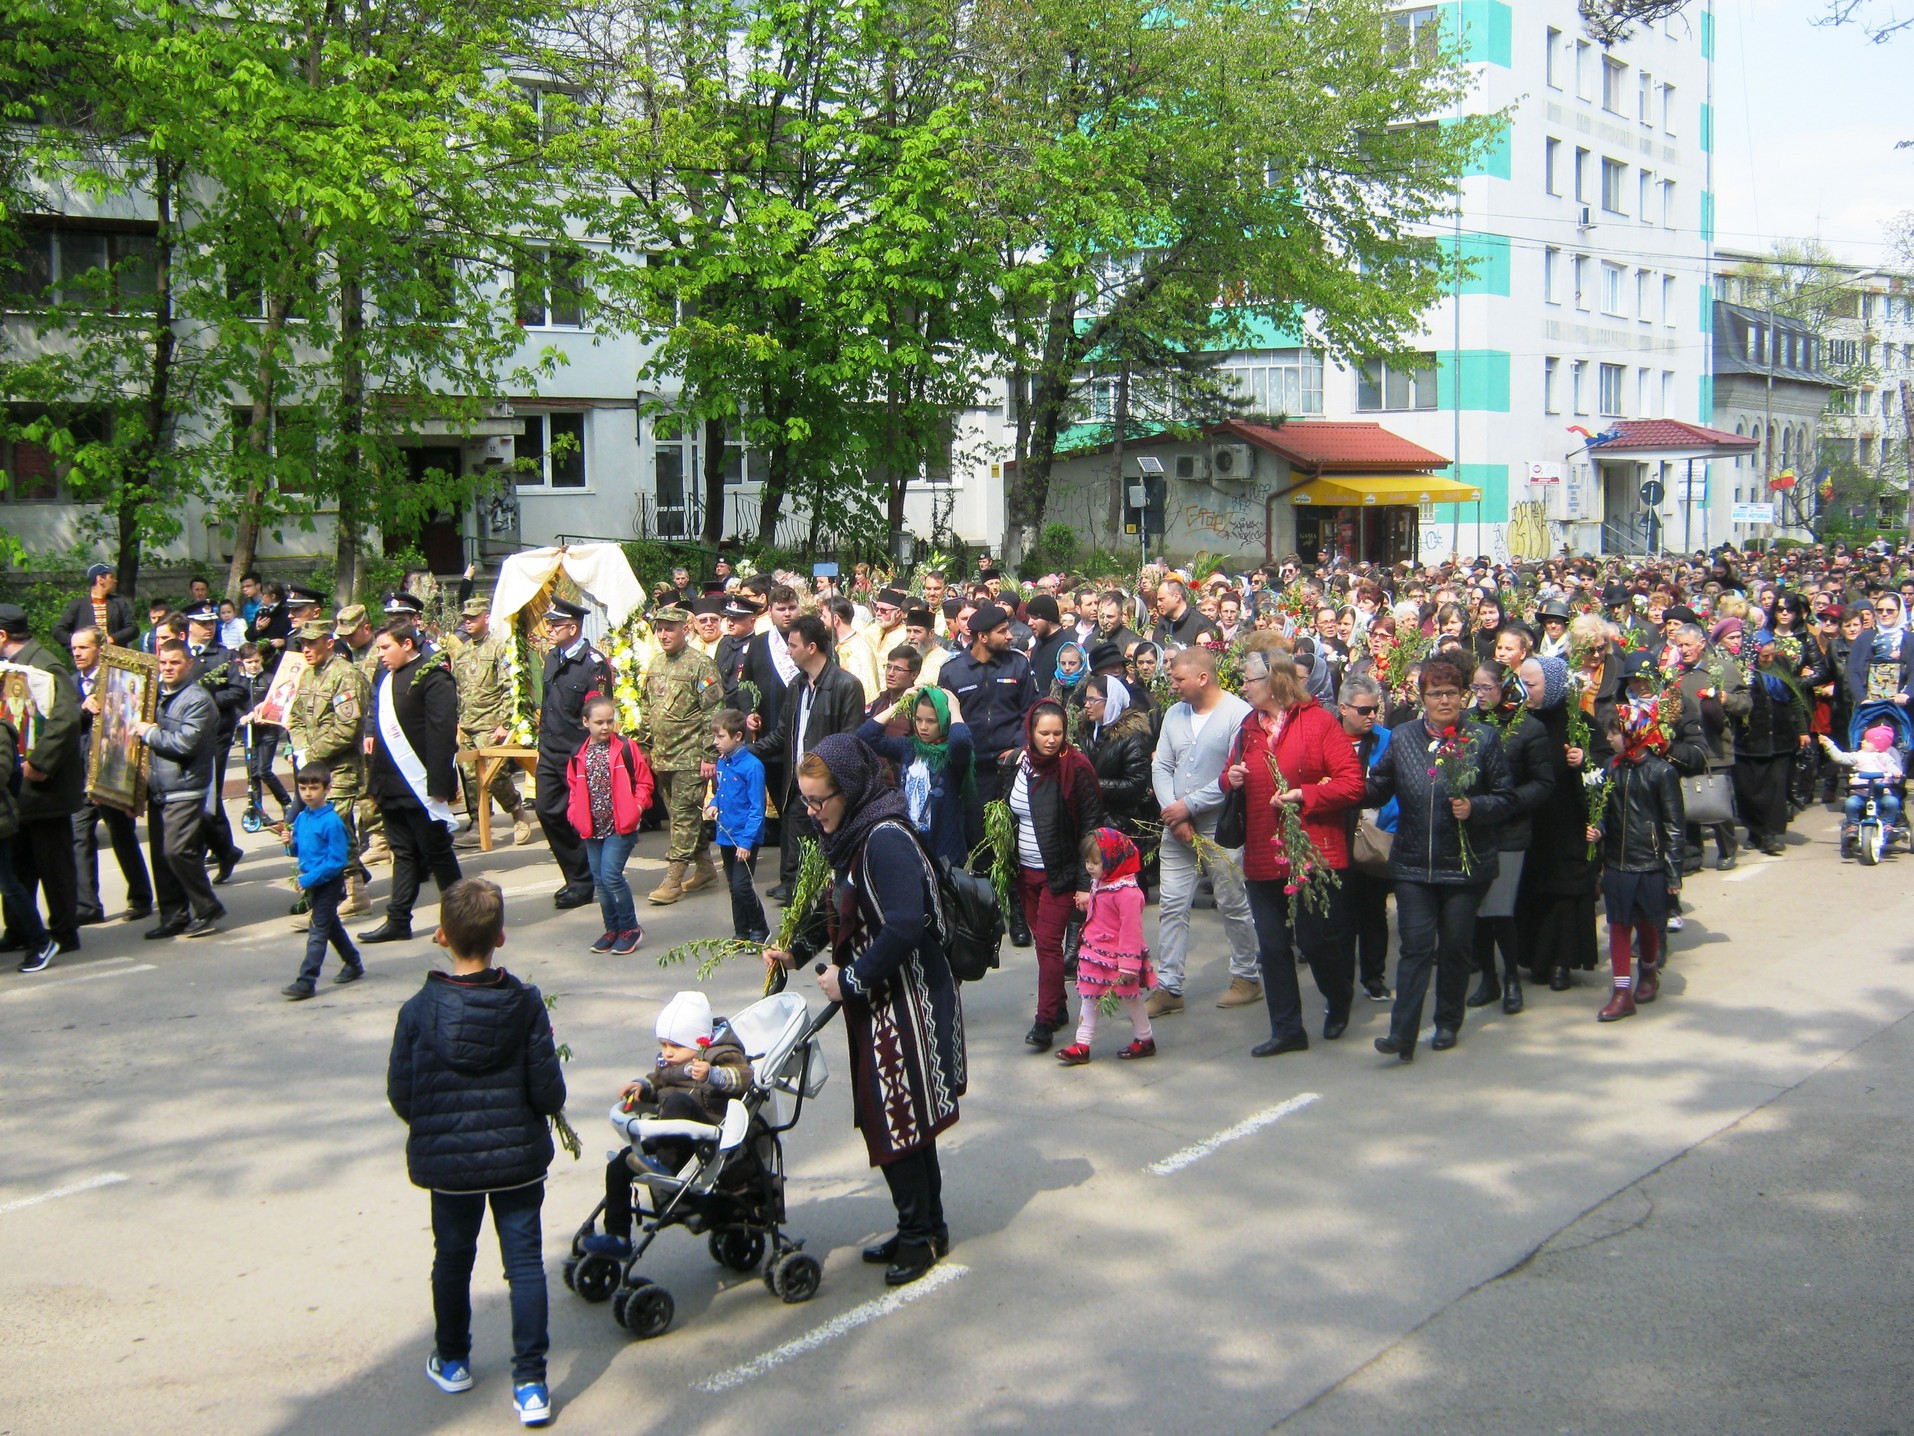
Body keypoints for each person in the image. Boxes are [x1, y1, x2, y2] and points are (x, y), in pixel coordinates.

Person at [763, 735, 964, 1287]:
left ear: (848, 790)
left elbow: (904, 922)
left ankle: (920, 1235)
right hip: (882, 999)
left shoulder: (884, 839)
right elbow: (843, 909)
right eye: (803, 802)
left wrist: (849, 978)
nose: (811, 812)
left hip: (907, 999)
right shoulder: (853, 834)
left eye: (818, 801)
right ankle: (925, 1226)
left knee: (898, 1118)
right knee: (902, 1121)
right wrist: (798, 950)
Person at [386, 877, 563, 1427]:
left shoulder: (418, 1010)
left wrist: (438, 1124)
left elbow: (402, 1092)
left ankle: (454, 1357)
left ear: (441, 935)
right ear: (501, 938)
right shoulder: (526, 1004)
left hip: (449, 1166)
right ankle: (531, 1382)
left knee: (453, 1258)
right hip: (516, 1158)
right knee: (525, 1264)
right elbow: (548, 1091)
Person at [1363, 656, 1515, 1061]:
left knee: (1453, 947)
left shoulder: (1482, 739)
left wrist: (1476, 807)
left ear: (1463, 696)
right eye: (1435, 694)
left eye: (1451, 693)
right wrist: (1342, 784)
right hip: (1413, 861)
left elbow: (1506, 797)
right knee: (1414, 947)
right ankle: (1402, 1034)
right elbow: (1378, 786)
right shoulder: (1403, 737)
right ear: (1422, 698)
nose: (1444, 701)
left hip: (1464, 866)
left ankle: (1448, 1020)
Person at [1224, 635, 1365, 1054]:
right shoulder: (1248, 728)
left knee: (1317, 939)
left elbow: (1352, 783)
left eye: (1249, 681)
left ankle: (1338, 998)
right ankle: (1287, 1029)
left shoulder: (1318, 721)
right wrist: (1228, 778)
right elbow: (1229, 775)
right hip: (1264, 851)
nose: (1244, 688)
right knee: (1271, 946)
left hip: (1314, 849)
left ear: (1274, 681)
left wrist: (1306, 794)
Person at [582, 991, 753, 1260]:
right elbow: (657, 1080)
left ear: (698, 1043)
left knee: (676, 1101)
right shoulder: (669, 1062)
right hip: (668, 1136)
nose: (667, 1052)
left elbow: (743, 1078)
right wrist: (642, 1086)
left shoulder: (721, 1055)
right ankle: (617, 1235)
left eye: (674, 1045)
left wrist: (713, 1074)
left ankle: (660, 1160)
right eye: (663, 1045)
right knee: (618, 1166)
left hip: (702, 1138)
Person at [1148, 645, 1261, 1015]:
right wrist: (1174, 813)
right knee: (1172, 905)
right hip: (1176, 827)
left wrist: (1189, 807)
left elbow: (1233, 775)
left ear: (1202, 677)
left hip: (1219, 826)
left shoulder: (1238, 716)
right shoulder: (1173, 715)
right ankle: (1169, 986)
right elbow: (1161, 766)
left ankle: (1246, 975)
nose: (1174, 685)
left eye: (1178, 679)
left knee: (1232, 901)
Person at [748, 612, 866, 901]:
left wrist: (832, 788)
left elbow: (849, 743)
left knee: (826, 862)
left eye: (793, 645)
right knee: (797, 858)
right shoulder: (797, 686)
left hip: (827, 792)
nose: (788, 651)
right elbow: (782, 735)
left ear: (812, 648)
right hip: (797, 786)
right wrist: (745, 751)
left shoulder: (846, 686)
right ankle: (797, 900)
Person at [1007, 699, 1104, 1049]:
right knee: (1041, 942)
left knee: (1049, 945)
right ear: (1030, 733)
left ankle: (1045, 1020)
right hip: (1026, 872)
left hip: (1059, 873)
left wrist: (1084, 883)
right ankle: (1059, 1007)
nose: (1051, 740)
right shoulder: (1021, 764)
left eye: (1057, 733)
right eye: (1043, 733)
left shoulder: (1076, 768)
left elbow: (1091, 828)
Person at [359, 621, 462, 944]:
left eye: (385, 647)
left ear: (406, 644)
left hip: (421, 784)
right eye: (377, 649)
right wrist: (375, 784)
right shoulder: (387, 677)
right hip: (391, 784)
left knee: (438, 854)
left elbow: (441, 733)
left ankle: (462, 920)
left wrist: (440, 784)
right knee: (402, 854)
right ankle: (398, 919)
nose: (380, 655)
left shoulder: (433, 676)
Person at [1465, 659, 1556, 1016]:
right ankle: (1487, 978)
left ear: (1504, 687)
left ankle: (1511, 978)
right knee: (1478, 909)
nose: (1480, 695)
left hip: (1509, 829)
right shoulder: (1469, 723)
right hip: (1474, 827)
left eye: (1486, 688)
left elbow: (1543, 782)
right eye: (1475, 688)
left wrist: (1508, 803)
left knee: (1500, 908)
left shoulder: (1528, 729)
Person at [0, 603, 86, 964]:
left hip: (45, 788)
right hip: (18, 791)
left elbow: (66, 720)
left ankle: (64, 931)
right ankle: (20, 930)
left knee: (54, 864)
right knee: (19, 864)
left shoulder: (45, 665)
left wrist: (39, 763)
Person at [1586, 709, 1685, 1023]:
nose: (1610, 738)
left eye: (1616, 733)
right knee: (1618, 924)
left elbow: (1673, 825)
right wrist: (1598, 829)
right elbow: (1604, 809)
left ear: (1634, 735)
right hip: (1617, 862)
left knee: (1647, 924)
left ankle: (1649, 972)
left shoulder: (1661, 772)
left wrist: (1672, 873)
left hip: (1649, 863)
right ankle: (1621, 992)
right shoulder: (1611, 767)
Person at [130, 639, 225, 941]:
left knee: (177, 850)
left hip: (185, 786)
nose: (168, 668)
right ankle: (174, 916)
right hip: (159, 787)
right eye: (163, 662)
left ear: (188, 664)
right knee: (162, 855)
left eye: (175, 662)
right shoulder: (157, 695)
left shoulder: (197, 699)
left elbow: (185, 743)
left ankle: (207, 906)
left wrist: (150, 733)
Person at [283, 619, 373, 921]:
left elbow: (349, 728)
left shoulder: (346, 675)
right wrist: (299, 749)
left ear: (330, 643)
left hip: (341, 771)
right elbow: (295, 717)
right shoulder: (308, 675)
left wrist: (312, 752)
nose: (306, 649)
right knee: (332, 831)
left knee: (334, 829)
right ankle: (341, 893)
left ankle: (349, 895)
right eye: (302, 644)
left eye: (312, 643)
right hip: (314, 771)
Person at [68, 627, 155, 927]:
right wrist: (81, 708)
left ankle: (141, 898)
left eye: (83, 647)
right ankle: (87, 905)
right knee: (79, 837)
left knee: (121, 835)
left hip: (112, 773)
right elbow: (63, 724)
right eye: (74, 648)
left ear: (100, 648)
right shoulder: (69, 684)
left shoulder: (119, 678)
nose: (77, 653)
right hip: (81, 776)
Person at [535, 598, 616, 910]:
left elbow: (601, 715)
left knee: (584, 818)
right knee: (547, 811)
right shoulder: (553, 656)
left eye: (555, 624)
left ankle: (585, 881)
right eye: (550, 623)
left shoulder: (593, 664)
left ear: (572, 627)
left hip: (579, 755)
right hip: (551, 750)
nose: (549, 629)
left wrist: (596, 756)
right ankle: (577, 876)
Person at [1054, 828, 1156, 1065]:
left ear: (1113, 860)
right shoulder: (1102, 882)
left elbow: (1131, 930)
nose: (1090, 867)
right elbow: (1103, 905)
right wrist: (1089, 901)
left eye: (1096, 862)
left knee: (1130, 997)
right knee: (1089, 997)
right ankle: (1082, 1044)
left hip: (1117, 955)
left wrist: (1129, 964)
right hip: (1093, 951)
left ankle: (1145, 1037)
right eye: (1088, 861)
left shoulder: (1128, 893)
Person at [565, 694, 654, 954]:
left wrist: (636, 808)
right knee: (600, 880)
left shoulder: (626, 747)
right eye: (599, 722)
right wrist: (574, 814)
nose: (605, 727)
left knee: (611, 876)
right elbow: (572, 788)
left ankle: (630, 928)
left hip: (620, 827)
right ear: (585, 722)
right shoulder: (579, 754)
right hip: (592, 828)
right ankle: (612, 929)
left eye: (609, 721)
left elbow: (645, 781)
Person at [855, 685, 973, 867]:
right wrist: (899, 705)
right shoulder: (909, 747)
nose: (923, 727)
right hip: (909, 839)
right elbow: (866, 735)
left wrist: (954, 708)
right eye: (918, 720)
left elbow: (961, 741)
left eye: (931, 721)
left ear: (944, 719)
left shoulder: (950, 755)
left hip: (943, 845)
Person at [450, 597, 534, 849]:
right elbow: (458, 690)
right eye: (465, 618)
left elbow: (511, 687)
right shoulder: (462, 652)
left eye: (473, 618)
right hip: (467, 723)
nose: (468, 622)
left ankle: (517, 811)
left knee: (494, 775)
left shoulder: (499, 648)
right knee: (471, 778)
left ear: (486, 617)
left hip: (491, 722)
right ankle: (479, 823)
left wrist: (507, 723)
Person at [937, 602, 1036, 813]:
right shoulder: (952, 671)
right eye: (1002, 632)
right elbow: (945, 721)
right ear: (982, 637)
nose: (1009, 636)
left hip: (1013, 765)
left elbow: (1031, 709)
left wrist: (1018, 748)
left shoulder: (1018, 664)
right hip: (972, 772)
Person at [276, 765, 363, 999]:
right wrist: (289, 843)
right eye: (303, 788)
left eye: (314, 788)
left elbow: (336, 861)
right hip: (313, 881)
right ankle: (353, 962)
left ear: (327, 789)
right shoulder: (303, 818)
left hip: (328, 883)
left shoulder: (332, 822)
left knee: (317, 931)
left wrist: (308, 878)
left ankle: (306, 980)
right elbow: (300, 850)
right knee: (330, 926)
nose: (307, 793)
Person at [1337, 673, 1397, 1002]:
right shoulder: (1326, 735)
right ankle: (1341, 982)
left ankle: (1374, 976)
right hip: (1334, 837)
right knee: (1341, 916)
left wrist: (1389, 826)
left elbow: (1395, 791)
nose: (1371, 715)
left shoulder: (1387, 740)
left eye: (1375, 708)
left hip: (1374, 836)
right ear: (1343, 708)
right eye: (1364, 710)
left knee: (1373, 911)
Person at [184, 600, 249, 884]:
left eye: (212, 623)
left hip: (216, 734)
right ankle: (224, 848)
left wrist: (206, 701)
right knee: (199, 795)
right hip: (184, 736)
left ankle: (217, 850)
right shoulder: (179, 655)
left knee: (209, 793)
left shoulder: (223, 655)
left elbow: (238, 690)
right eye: (203, 623)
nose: (209, 628)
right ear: (189, 626)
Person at [707, 709, 770, 944]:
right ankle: (741, 931)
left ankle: (760, 928)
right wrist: (713, 804)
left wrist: (746, 842)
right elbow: (720, 793)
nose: (716, 742)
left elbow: (757, 807)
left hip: (744, 838)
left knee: (743, 885)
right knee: (734, 886)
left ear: (738, 736)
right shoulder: (722, 763)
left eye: (720, 737)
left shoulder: (752, 767)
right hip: (725, 834)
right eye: (715, 737)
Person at [1078, 673, 1156, 863]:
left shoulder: (1132, 738)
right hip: (1090, 818)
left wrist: (1093, 785)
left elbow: (1136, 784)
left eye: (1093, 699)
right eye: (1085, 699)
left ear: (1111, 700)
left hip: (1120, 823)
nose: (1086, 704)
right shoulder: (1086, 731)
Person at [1823, 726, 1906, 851]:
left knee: (1892, 802)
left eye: (1867, 741)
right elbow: (1840, 757)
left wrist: (1895, 772)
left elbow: (1892, 766)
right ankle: (1853, 825)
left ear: (1878, 745)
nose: (1862, 742)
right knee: (1850, 803)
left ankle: (1888, 825)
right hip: (1861, 793)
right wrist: (1829, 745)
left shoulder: (1884, 757)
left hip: (1881, 793)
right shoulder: (1858, 756)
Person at [54, 562, 138, 648]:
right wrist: (78, 646)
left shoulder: (118, 603)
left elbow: (133, 629)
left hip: (113, 657)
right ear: (100, 580)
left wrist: (112, 638)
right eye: (111, 577)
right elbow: (58, 631)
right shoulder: (78, 605)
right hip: (87, 659)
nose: (115, 581)